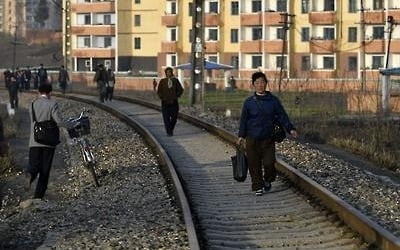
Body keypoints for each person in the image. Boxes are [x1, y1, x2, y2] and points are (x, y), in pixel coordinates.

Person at [237, 72, 298, 196]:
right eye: (257, 83)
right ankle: (257, 187)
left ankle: (268, 180)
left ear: (266, 84)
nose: (260, 85)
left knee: (269, 163)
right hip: (252, 138)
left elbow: (282, 116)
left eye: (262, 82)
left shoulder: (273, 101)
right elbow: (243, 120)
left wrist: (290, 129)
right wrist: (241, 136)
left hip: (268, 138)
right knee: (254, 165)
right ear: (253, 85)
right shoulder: (249, 102)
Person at [25, 83, 74, 199]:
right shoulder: (52, 104)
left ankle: (30, 175)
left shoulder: (32, 104)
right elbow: (59, 121)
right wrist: (70, 125)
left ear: (38, 91)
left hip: (34, 141)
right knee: (44, 170)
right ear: (50, 92)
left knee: (34, 165)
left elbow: (33, 122)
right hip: (48, 142)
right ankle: (38, 196)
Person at [157, 67, 183, 136]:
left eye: (170, 72)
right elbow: (159, 91)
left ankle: (170, 128)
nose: (168, 73)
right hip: (165, 102)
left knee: (174, 118)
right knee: (166, 118)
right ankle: (169, 132)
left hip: (174, 102)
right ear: (165, 73)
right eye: (167, 72)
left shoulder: (175, 81)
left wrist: (176, 96)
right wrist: (162, 97)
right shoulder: (162, 81)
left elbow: (180, 89)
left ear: (172, 73)